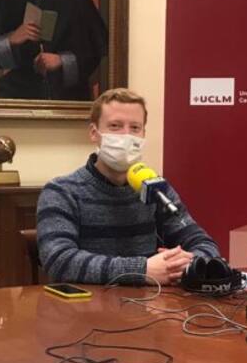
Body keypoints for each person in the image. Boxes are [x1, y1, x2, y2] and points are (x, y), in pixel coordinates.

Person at [36, 88, 220, 284]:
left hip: (151, 301)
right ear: (94, 133)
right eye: (115, 126)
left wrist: (188, 263)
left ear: (143, 134)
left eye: (135, 128)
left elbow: (205, 244)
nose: (126, 136)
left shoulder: (157, 189)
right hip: (89, 302)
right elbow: (59, 261)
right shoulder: (61, 192)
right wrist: (142, 270)